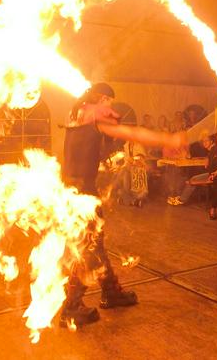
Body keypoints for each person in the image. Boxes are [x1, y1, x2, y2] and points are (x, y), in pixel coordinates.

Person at [61, 82, 184, 327]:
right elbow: (133, 134)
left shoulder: (74, 117)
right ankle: (71, 307)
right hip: (82, 195)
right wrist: (168, 138)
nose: (111, 107)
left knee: (96, 246)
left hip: (69, 192)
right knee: (87, 251)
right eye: (109, 101)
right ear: (103, 98)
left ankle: (111, 291)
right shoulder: (98, 118)